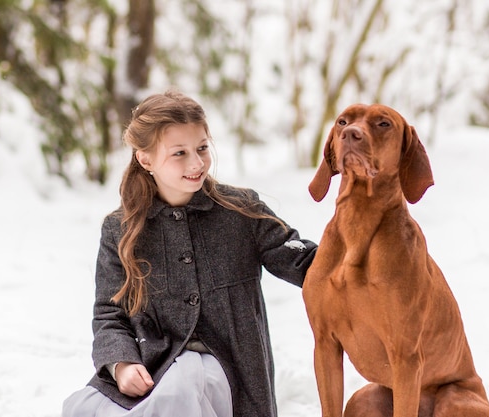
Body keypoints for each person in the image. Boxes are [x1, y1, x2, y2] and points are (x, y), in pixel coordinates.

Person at [62, 89, 317, 417]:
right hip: (153, 368)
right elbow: (109, 313)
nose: (196, 163)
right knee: (86, 410)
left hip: (227, 373)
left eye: (201, 149)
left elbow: (302, 260)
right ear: (145, 159)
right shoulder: (120, 229)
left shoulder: (241, 211)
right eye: (179, 153)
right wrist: (122, 364)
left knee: (180, 393)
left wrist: (361, 259)